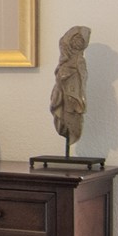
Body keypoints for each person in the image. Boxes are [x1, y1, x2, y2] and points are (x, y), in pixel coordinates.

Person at [49, 25, 90, 155]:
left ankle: (72, 133)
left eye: (81, 40)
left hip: (74, 97)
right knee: (64, 117)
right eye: (75, 39)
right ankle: (66, 129)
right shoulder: (64, 62)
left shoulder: (80, 62)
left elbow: (81, 81)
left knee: (74, 118)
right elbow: (60, 78)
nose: (78, 43)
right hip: (63, 95)